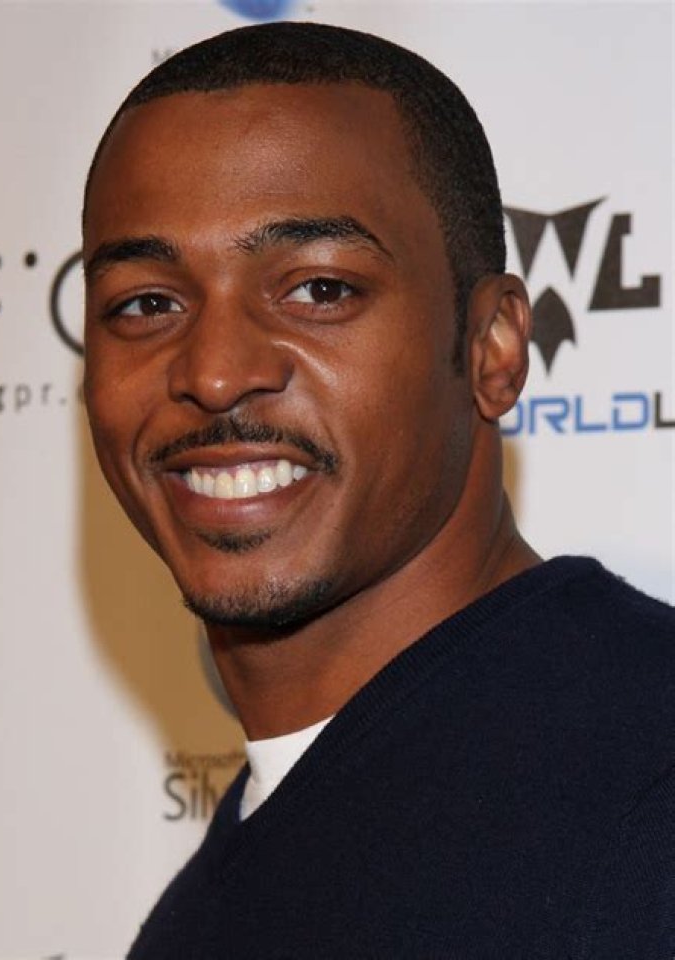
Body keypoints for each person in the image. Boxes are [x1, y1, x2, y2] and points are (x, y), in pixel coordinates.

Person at [82, 21, 675, 959]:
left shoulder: (650, 797)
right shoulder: (203, 908)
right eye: (146, 304)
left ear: (493, 348)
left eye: (319, 290)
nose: (215, 370)